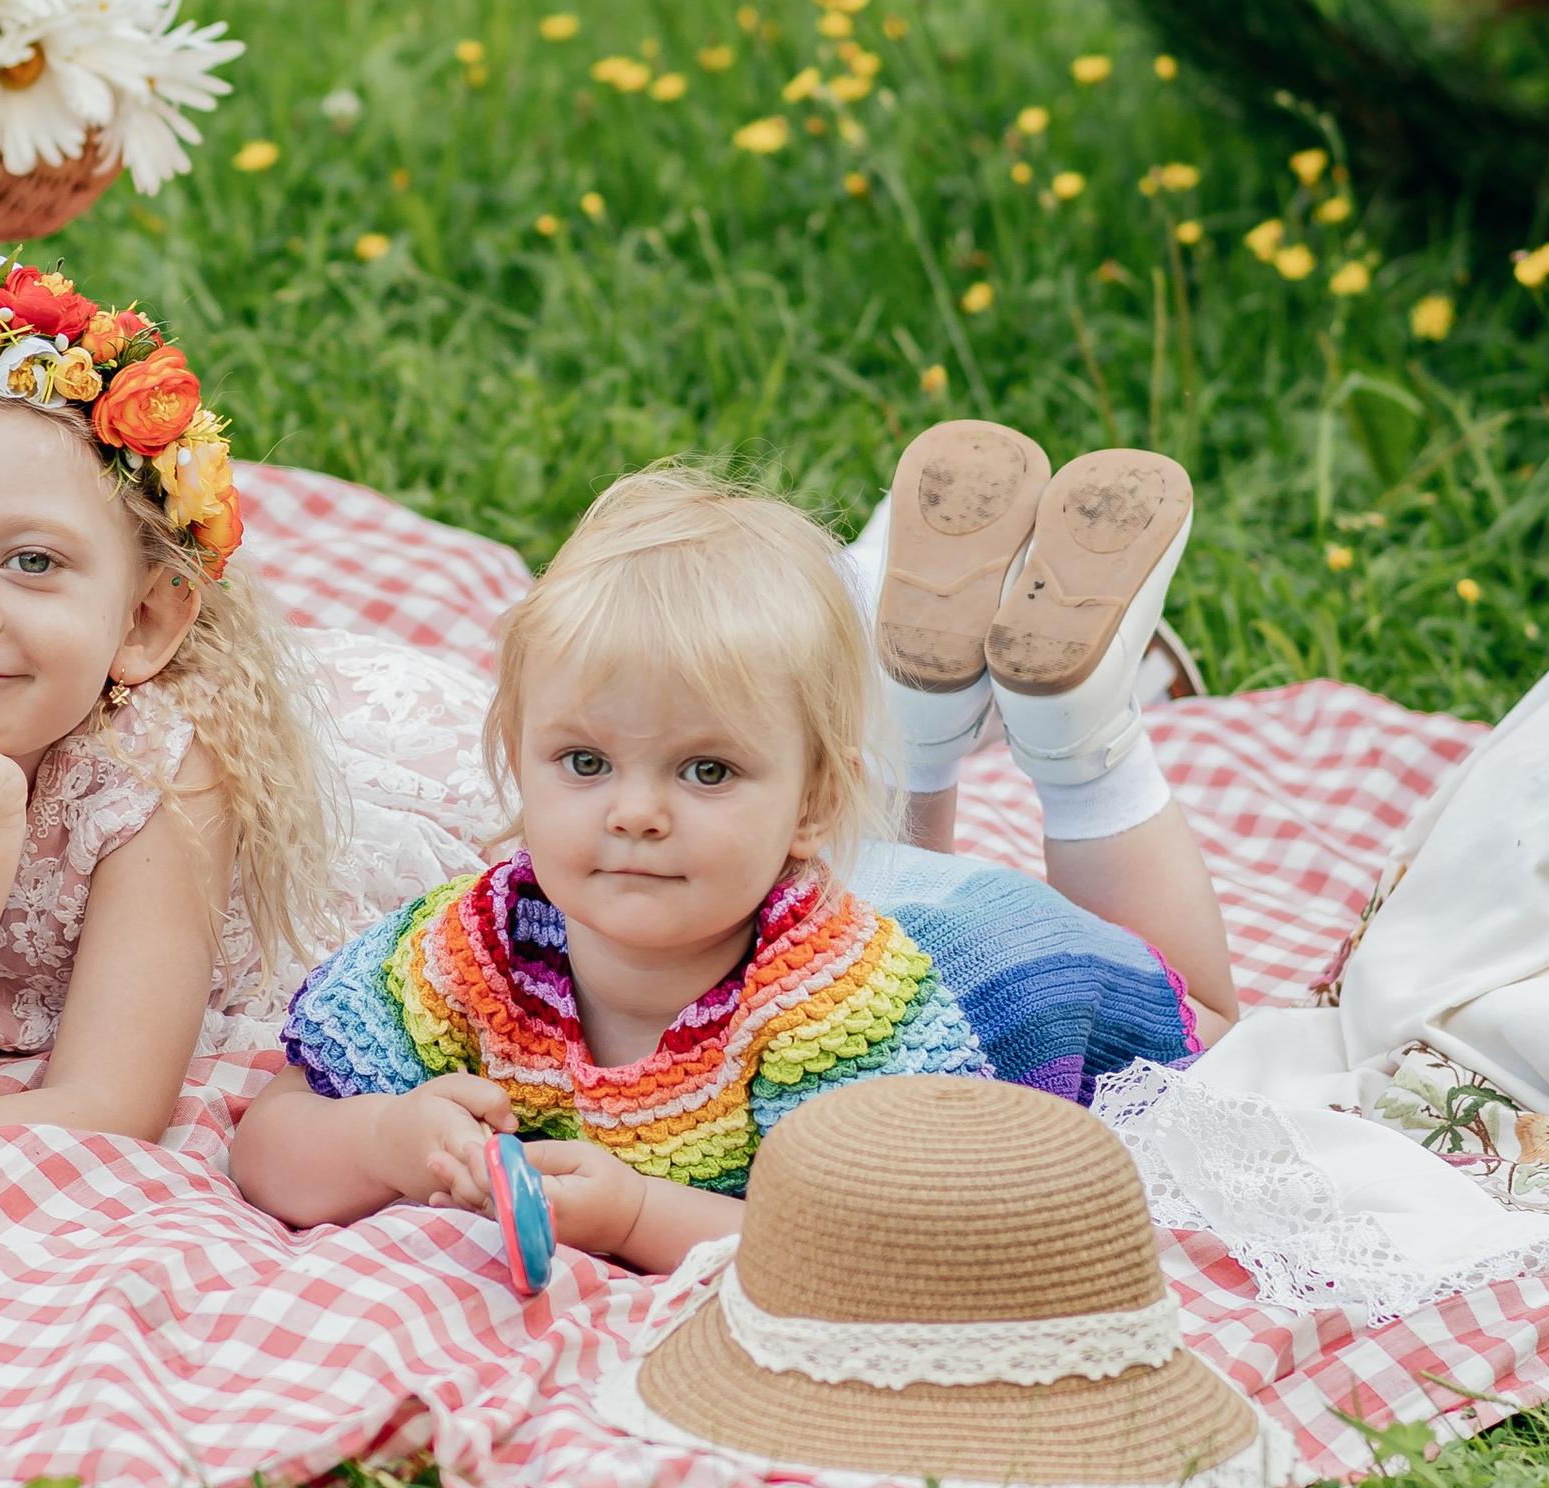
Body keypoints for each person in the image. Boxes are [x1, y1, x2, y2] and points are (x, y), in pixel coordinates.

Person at [231, 431, 1235, 1274]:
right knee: (863, 841)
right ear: (515, 763)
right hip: (850, 872)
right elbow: (271, 1148)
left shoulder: (841, 1010)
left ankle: (1080, 739)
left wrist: (638, 1216)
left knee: (1219, 1042)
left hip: (1012, 968)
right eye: (584, 760)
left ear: (815, 804)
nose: (636, 812)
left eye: (705, 770)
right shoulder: (476, 949)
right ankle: (917, 725)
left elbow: (880, 1249)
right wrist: (383, 1140)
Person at [0, 244, 479, 1188]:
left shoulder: (165, 765)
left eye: (33, 561)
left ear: (143, 621)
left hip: (377, 773)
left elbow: (111, 1103)